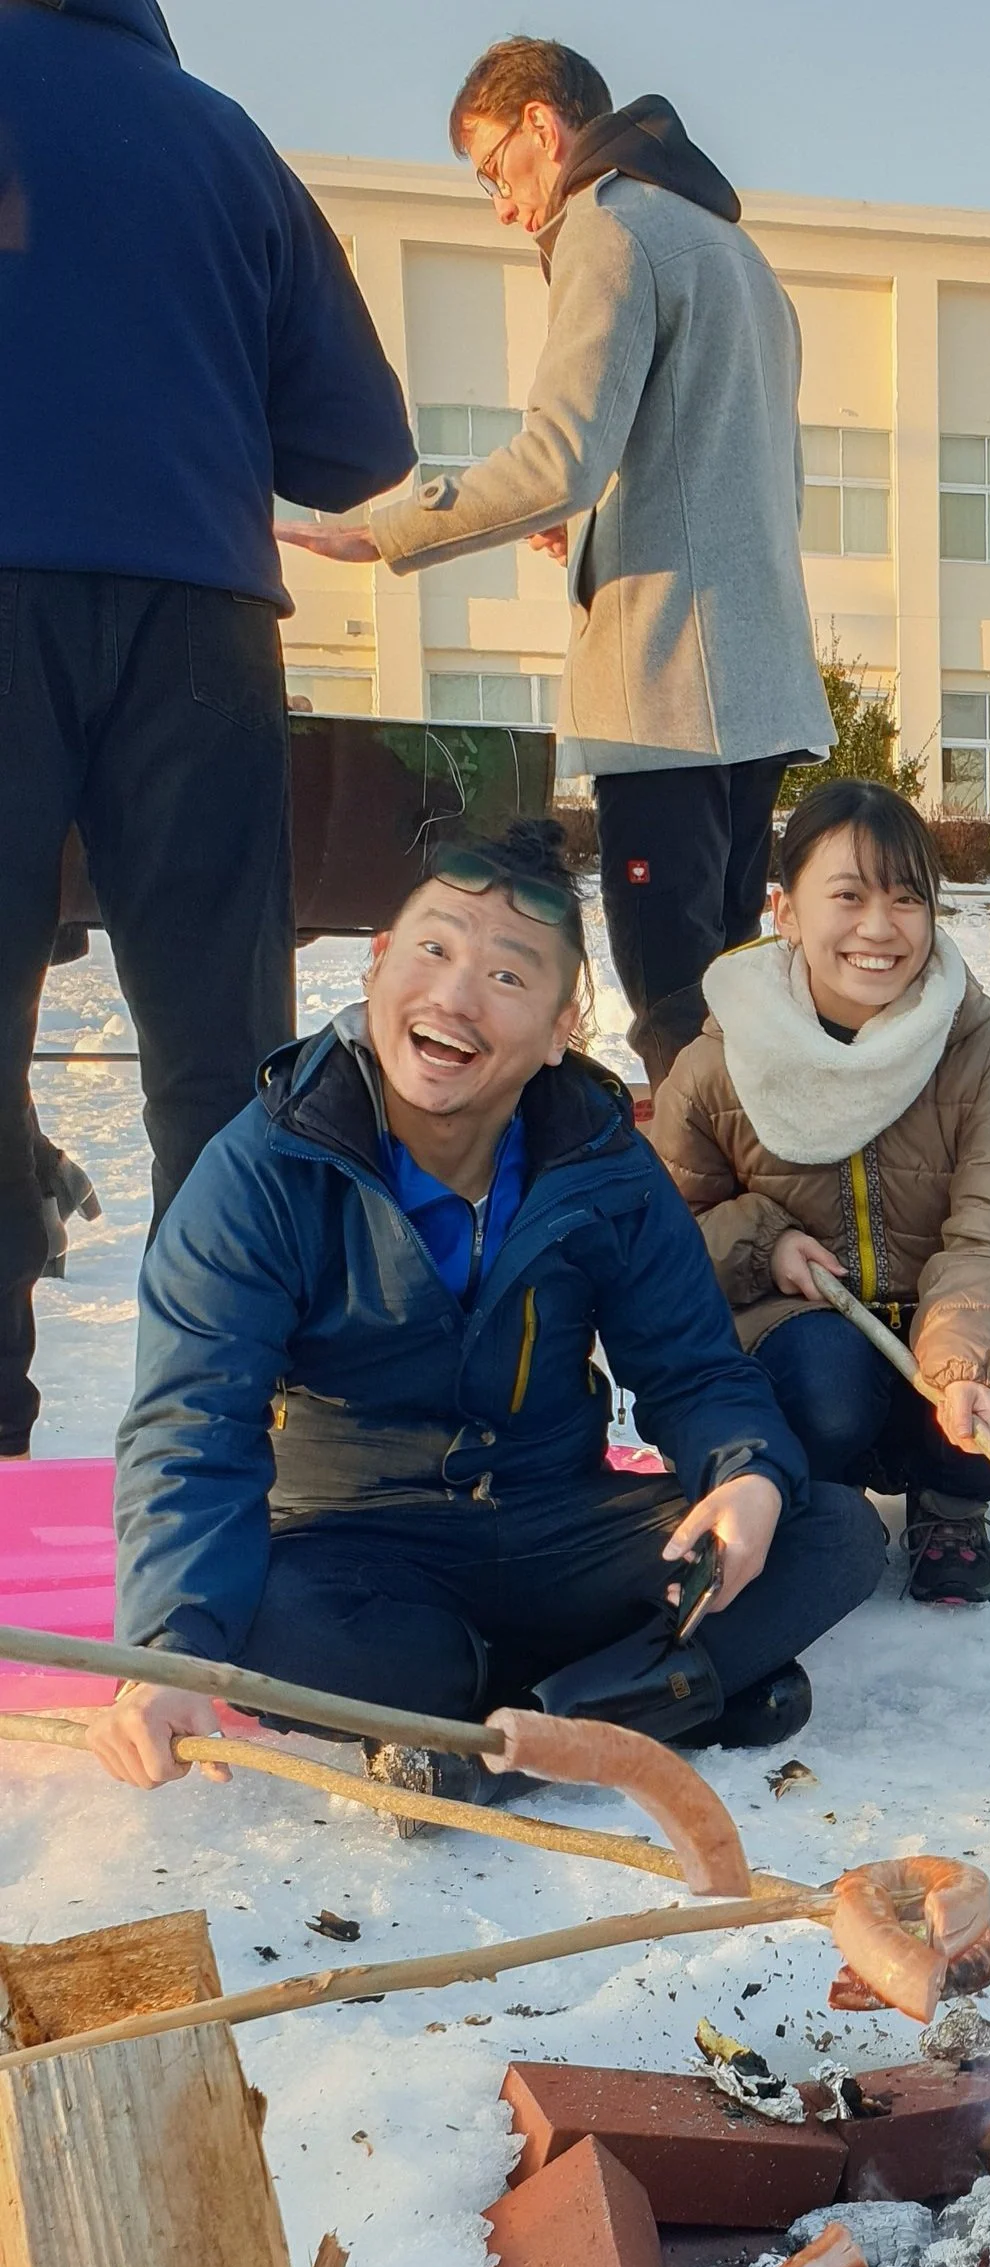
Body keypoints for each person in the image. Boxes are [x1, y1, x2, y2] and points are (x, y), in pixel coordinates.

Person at [91, 823, 884, 1803]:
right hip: (358, 1554)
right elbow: (191, 1422)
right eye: (432, 950)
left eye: (509, 976)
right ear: (377, 967)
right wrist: (168, 1655)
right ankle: (651, 1696)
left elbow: (694, 1370)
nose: (456, 996)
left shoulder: (602, 1163)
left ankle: (506, 1736)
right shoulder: (263, 1168)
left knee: (830, 1533)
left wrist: (745, 1475)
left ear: (562, 1028)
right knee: (253, 1623)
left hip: (554, 1529)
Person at [1, 0, 414, 1458]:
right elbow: (364, 441)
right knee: (222, 1059)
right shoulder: (229, 146)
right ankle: (219, 1430)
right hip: (200, 617)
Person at [279, 38, 831, 1092]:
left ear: (544, 126)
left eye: (494, 169)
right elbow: (717, 471)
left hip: (665, 692)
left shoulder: (610, 228)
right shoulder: (727, 248)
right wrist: (589, 528)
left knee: (675, 1019)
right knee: (735, 1012)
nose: (499, 203)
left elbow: (559, 458)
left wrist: (382, 532)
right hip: (751, 689)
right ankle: (750, 1229)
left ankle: (704, 1241)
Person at [652, 781, 990, 1609]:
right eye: (848, 895)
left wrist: (964, 1371)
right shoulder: (714, 1063)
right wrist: (762, 1243)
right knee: (828, 1387)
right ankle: (815, 1498)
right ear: (786, 911)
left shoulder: (979, 1046)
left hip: (939, 1331)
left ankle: (950, 1506)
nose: (881, 928)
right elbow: (662, 1248)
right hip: (803, 1347)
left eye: (908, 899)